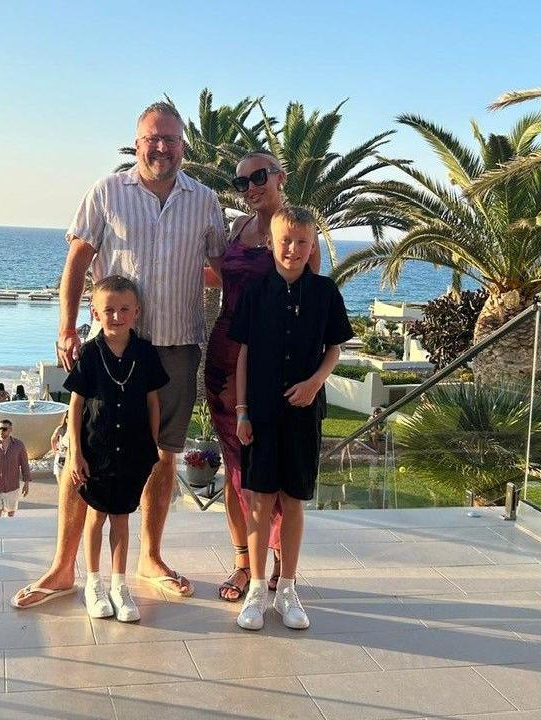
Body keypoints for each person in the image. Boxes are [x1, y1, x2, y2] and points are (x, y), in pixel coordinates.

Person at [12, 101, 225, 610]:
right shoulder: (107, 192)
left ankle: (150, 558)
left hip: (174, 345)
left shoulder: (206, 201)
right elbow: (78, 257)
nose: (161, 147)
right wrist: (66, 327)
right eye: (152, 138)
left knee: (162, 453)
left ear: (184, 146)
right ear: (138, 141)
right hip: (108, 347)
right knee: (79, 456)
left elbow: (220, 268)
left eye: (170, 139)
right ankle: (65, 567)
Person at [204, 152, 323, 602]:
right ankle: (242, 564)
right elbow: (225, 279)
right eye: (241, 182)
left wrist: (311, 374)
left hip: (272, 363)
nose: (250, 187)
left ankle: (279, 565)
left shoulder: (300, 235)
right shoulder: (236, 229)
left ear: (280, 177)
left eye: (258, 177)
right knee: (235, 465)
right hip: (223, 357)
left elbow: (312, 305)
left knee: (268, 466)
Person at [230, 205, 353, 631]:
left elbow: (335, 347)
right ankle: (257, 590)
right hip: (260, 414)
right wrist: (242, 412)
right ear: (271, 242)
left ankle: (288, 589)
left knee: (294, 500)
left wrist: (316, 382)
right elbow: (243, 354)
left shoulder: (325, 293)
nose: (293, 248)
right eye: (285, 240)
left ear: (312, 244)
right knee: (260, 501)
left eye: (303, 241)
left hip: (304, 413)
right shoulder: (256, 291)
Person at [64, 276, 168, 622]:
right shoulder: (91, 354)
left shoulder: (145, 353)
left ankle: (119, 586)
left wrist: (152, 445)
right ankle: (94, 583)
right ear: (95, 312)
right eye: (108, 310)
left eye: (124, 309)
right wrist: (75, 450)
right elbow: (76, 405)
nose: (116, 316)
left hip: (134, 452)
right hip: (97, 451)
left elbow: (153, 402)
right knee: (96, 516)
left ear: (136, 312)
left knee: (122, 518)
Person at [0, 419, 32, 518]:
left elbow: (24, 465)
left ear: (10, 430)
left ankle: (8, 533)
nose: (1, 431)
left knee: (10, 514)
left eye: (4, 429)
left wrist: (26, 484)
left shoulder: (19, 445)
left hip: (12, 486)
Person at [51, 411, 69, 482]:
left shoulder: (76, 430)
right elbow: (53, 439)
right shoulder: (61, 429)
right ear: (66, 419)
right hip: (61, 456)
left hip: (69, 458)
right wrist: (54, 451)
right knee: (60, 481)